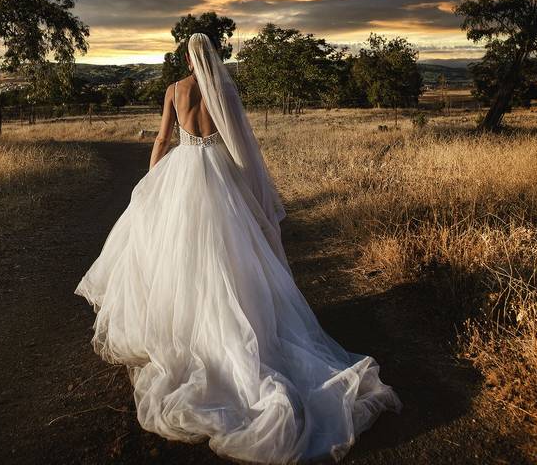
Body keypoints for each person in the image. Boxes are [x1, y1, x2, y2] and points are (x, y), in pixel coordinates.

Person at [75, 33, 401, 463]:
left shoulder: (175, 90)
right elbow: (240, 140)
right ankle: (237, 323)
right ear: (212, 56)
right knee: (229, 256)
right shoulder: (226, 90)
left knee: (182, 254)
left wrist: (150, 183)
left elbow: (161, 139)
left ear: (189, 59)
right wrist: (251, 190)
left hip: (183, 172)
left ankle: (191, 327)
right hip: (220, 174)